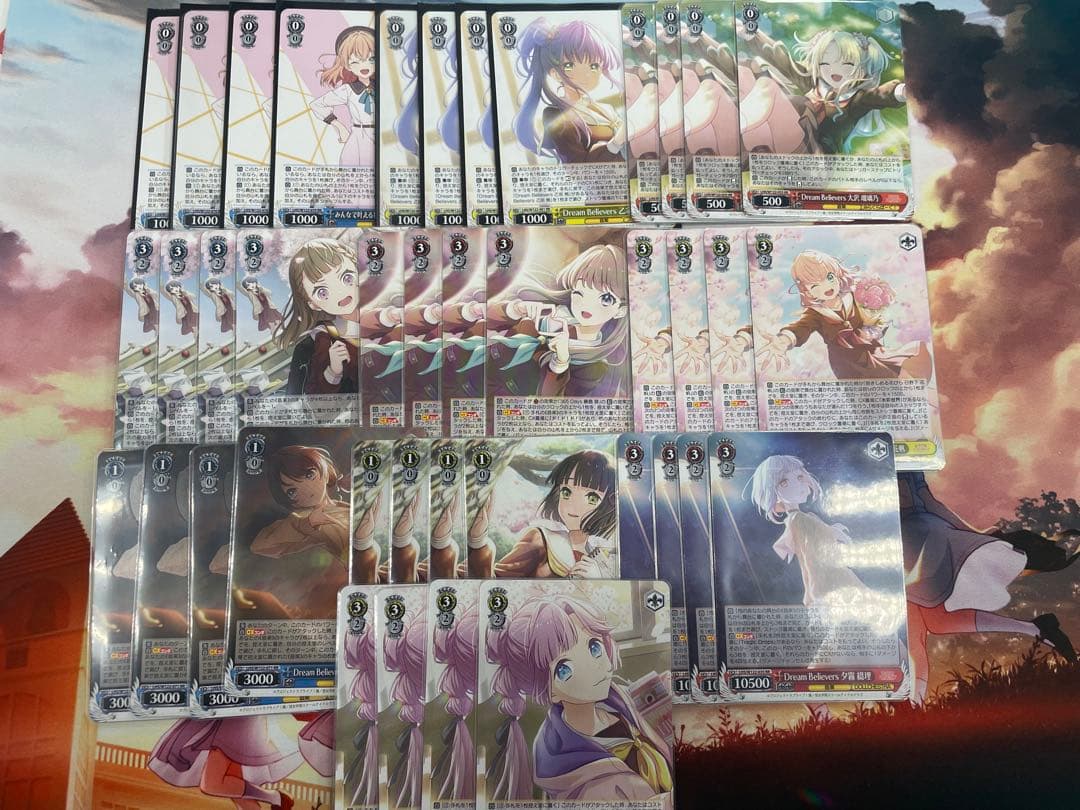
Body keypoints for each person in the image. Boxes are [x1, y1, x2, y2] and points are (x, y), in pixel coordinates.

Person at [487, 595, 672, 802]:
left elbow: (628, 700)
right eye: (564, 669)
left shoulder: (611, 700)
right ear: (550, 692)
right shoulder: (581, 781)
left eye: (594, 647)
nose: (593, 667)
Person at [512, 18, 626, 163]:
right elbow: (577, 167)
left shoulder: (606, 109)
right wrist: (615, 143)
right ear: (555, 73)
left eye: (594, 66)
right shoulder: (556, 116)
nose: (586, 74)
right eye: (570, 65)